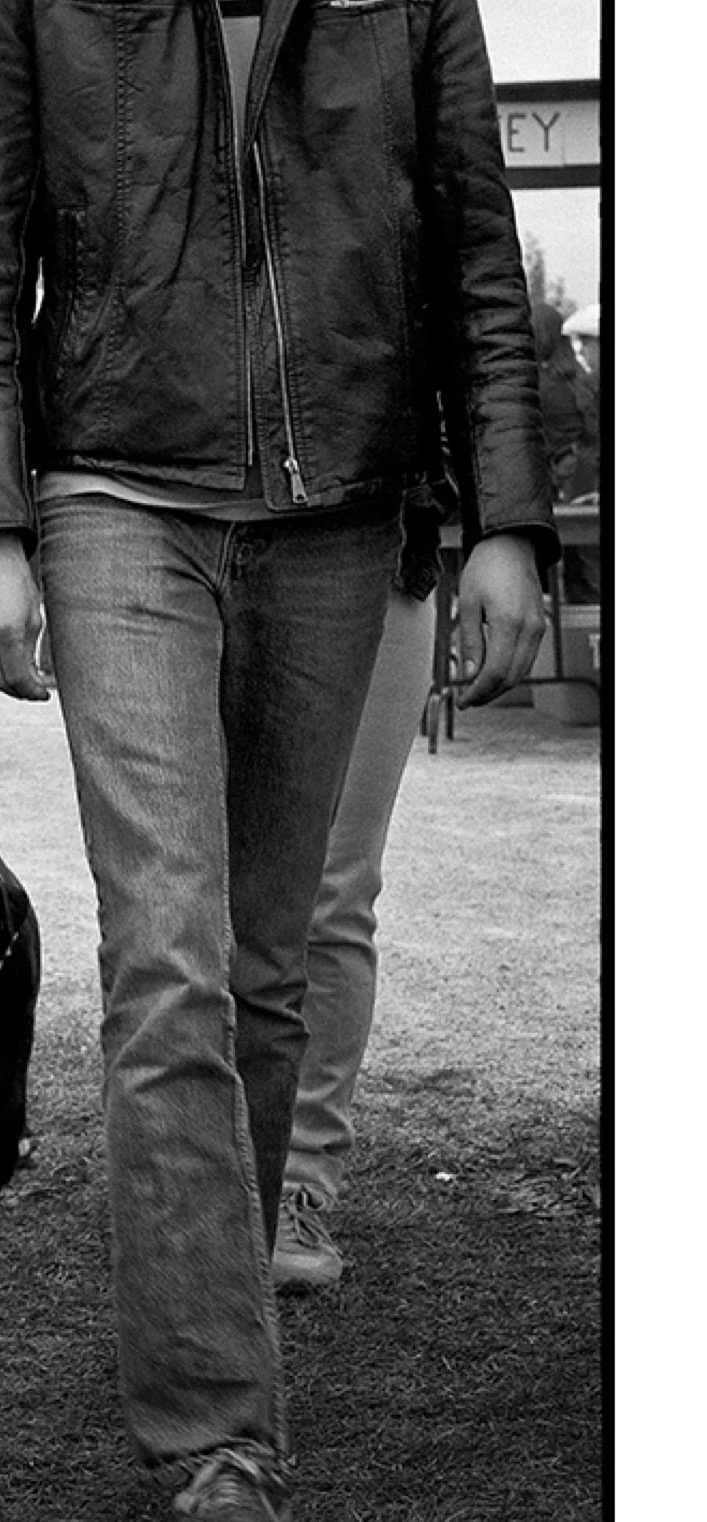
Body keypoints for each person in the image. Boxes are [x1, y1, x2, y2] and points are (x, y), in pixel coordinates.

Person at [0, 0, 557, 1522]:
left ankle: (220, 1360)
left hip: (348, 508)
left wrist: (509, 524)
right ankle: (220, 1450)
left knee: (274, 974)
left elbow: (477, 243)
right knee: (174, 966)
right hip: (118, 495)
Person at [271, 542, 440, 1292]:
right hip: (190, 521)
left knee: (335, 887)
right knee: (195, 885)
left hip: (386, 539)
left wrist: (509, 530)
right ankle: (198, 1174)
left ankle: (298, 1182)